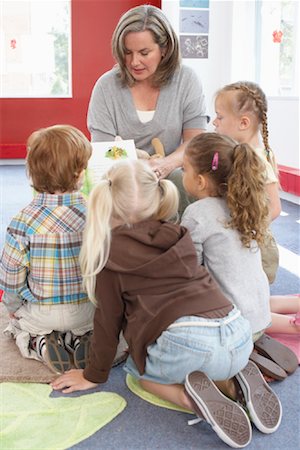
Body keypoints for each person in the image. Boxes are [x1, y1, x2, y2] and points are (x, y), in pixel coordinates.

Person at [51, 159, 282, 447]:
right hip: (238, 331)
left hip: (189, 343)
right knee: (207, 354)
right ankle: (235, 382)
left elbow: (107, 323)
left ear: (106, 204)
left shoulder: (109, 257)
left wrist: (93, 375)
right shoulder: (180, 234)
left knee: (140, 375)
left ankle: (193, 400)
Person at [181, 133, 298, 379]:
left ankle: (234, 366)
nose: (182, 176)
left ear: (200, 181)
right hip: (260, 314)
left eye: (184, 170)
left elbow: (189, 273)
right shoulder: (246, 204)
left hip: (232, 328)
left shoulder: (196, 213)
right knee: (241, 287)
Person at [87, 4, 209, 217]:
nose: (134, 62)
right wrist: (140, 169)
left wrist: (165, 165)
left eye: (144, 52)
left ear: (164, 49)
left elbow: (195, 142)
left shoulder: (187, 79)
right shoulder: (105, 87)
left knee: (180, 181)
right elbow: (103, 152)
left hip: (172, 172)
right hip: (121, 177)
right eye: (127, 52)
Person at [0, 125, 95, 374]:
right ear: (78, 173)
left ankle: (38, 341)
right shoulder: (95, 213)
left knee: (17, 324)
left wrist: (12, 309)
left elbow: (10, 275)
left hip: (42, 311)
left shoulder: (23, 220)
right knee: (90, 321)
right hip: (87, 309)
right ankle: (82, 337)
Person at [212, 81, 300, 335]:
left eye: (219, 117)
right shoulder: (240, 154)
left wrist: (245, 231)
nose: (215, 122)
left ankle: (293, 328)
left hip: (256, 249)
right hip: (249, 244)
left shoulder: (256, 161)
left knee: (245, 310)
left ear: (243, 123)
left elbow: (274, 208)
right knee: (249, 299)